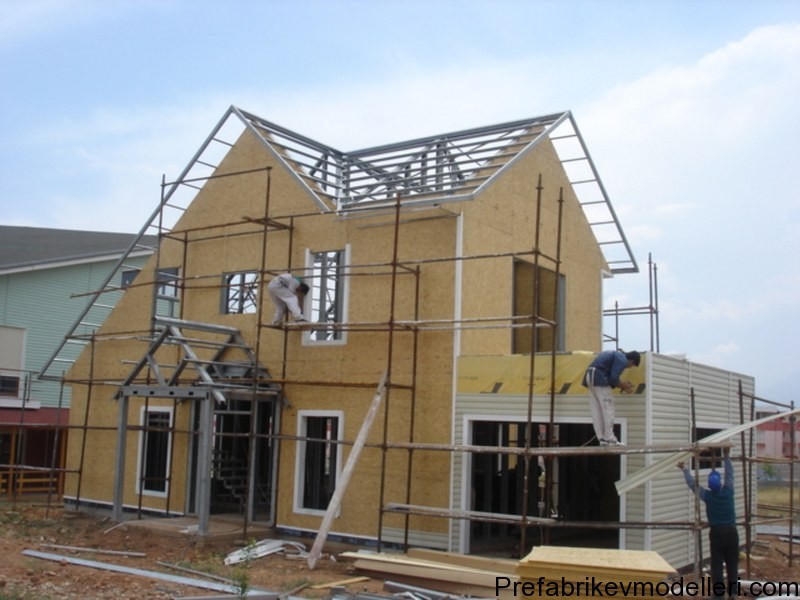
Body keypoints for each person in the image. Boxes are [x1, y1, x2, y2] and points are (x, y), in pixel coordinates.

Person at [677, 447, 738, 599]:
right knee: (732, 563)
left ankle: (718, 595)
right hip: (732, 531)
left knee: (717, 564)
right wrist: (726, 455)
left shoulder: (708, 496)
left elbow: (693, 485)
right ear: (720, 483)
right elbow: (730, 474)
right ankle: (733, 593)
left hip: (717, 533)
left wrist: (685, 469)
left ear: (710, 485)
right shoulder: (728, 491)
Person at [581, 349, 640, 445]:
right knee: (608, 410)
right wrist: (623, 386)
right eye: (632, 366)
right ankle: (610, 438)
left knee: (597, 410)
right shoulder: (622, 359)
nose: (629, 367)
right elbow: (614, 378)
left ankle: (602, 438)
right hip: (599, 378)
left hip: (590, 377)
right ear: (631, 361)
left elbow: (612, 377)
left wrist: (621, 385)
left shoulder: (615, 354)